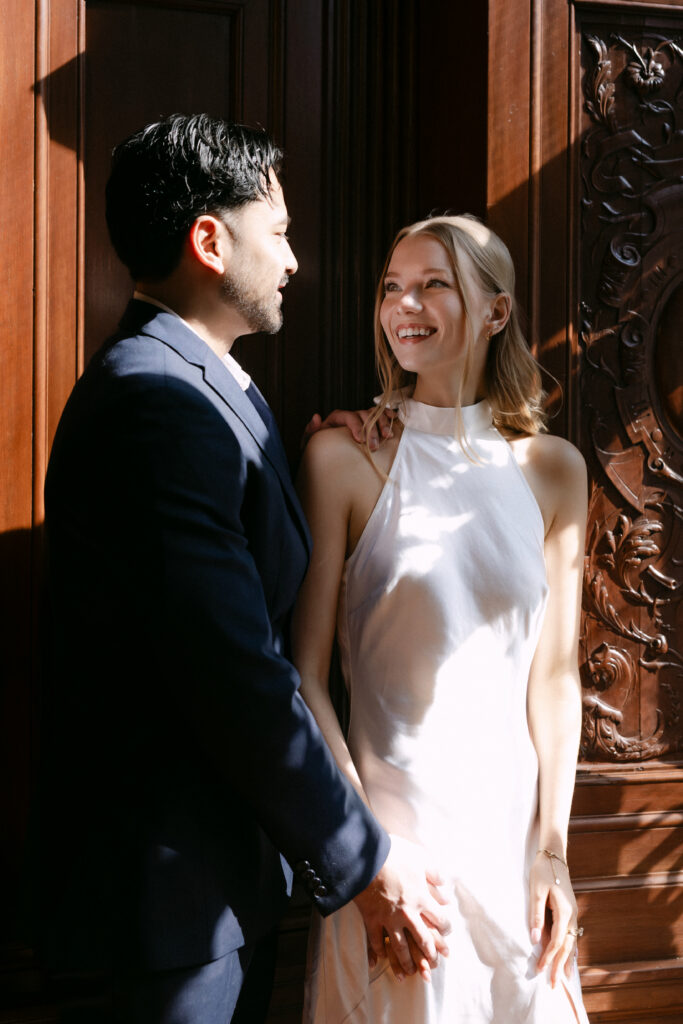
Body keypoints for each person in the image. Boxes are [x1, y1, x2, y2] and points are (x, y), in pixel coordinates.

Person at [37, 114, 450, 1024]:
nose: (296, 259)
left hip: (227, 885)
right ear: (209, 241)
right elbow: (232, 672)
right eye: (281, 231)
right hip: (176, 904)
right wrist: (366, 863)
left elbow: (241, 567)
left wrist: (323, 452)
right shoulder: (156, 400)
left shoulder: (205, 386)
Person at [293, 214, 590, 1022]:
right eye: (392, 288)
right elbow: (305, 674)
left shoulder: (554, 472)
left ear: (494, 313)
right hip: (400, 843)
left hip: (513, 845)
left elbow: (555, 678)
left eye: (432, 284)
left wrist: (552, 851)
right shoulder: (344, 460)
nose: (404, 305)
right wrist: (364, 849)